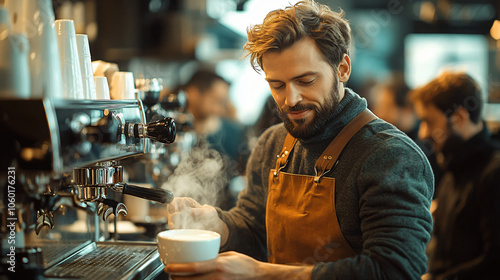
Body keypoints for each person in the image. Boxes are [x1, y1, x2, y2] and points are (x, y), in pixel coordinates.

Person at [165, 1, 434, 279]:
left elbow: (395, 270)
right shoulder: (272, 143)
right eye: (277, 85)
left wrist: (262, 274)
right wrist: (219, 226)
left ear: (342, 69)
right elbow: (256, 230)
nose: (290, 100)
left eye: (305, 81)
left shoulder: (389, 155)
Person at [410, 72, 500, 280]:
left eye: (429, 122)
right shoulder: (453, 169)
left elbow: (495, 262)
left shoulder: (494, 173)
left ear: (459, 117)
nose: (423, 133)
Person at [370, 73, 443, 193]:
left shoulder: (425, 147)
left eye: (386, 107)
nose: (378, 113)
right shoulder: (390, 142)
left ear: (407, 109)